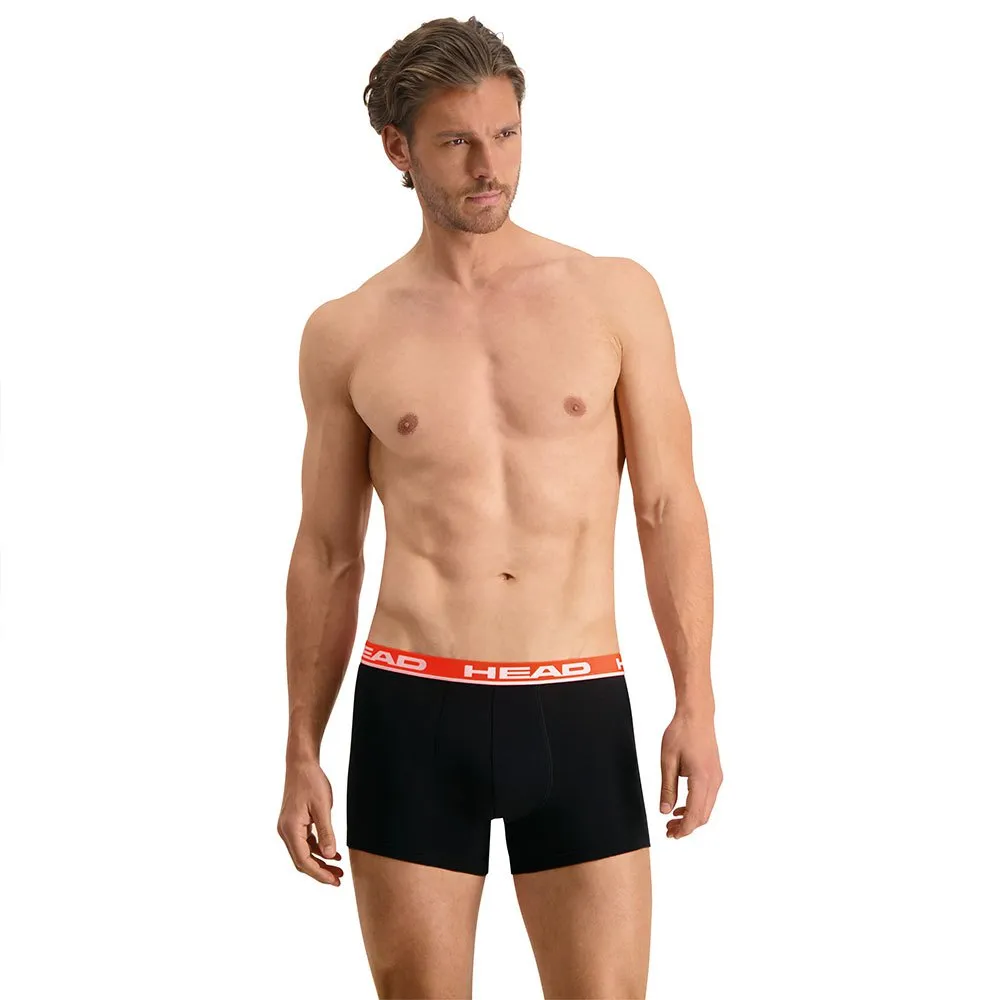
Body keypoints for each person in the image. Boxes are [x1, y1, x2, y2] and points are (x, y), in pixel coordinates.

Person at [276, 15, 722, 999]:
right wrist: (302, 745)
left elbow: (665, 505)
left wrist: (695, 699)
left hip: (575, 699)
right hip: (410, 707)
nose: (490, 166)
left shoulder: (613, 296)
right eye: (456, 142)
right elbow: (328, 551)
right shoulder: (348, 331)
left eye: (507, 134)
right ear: (397, 150)